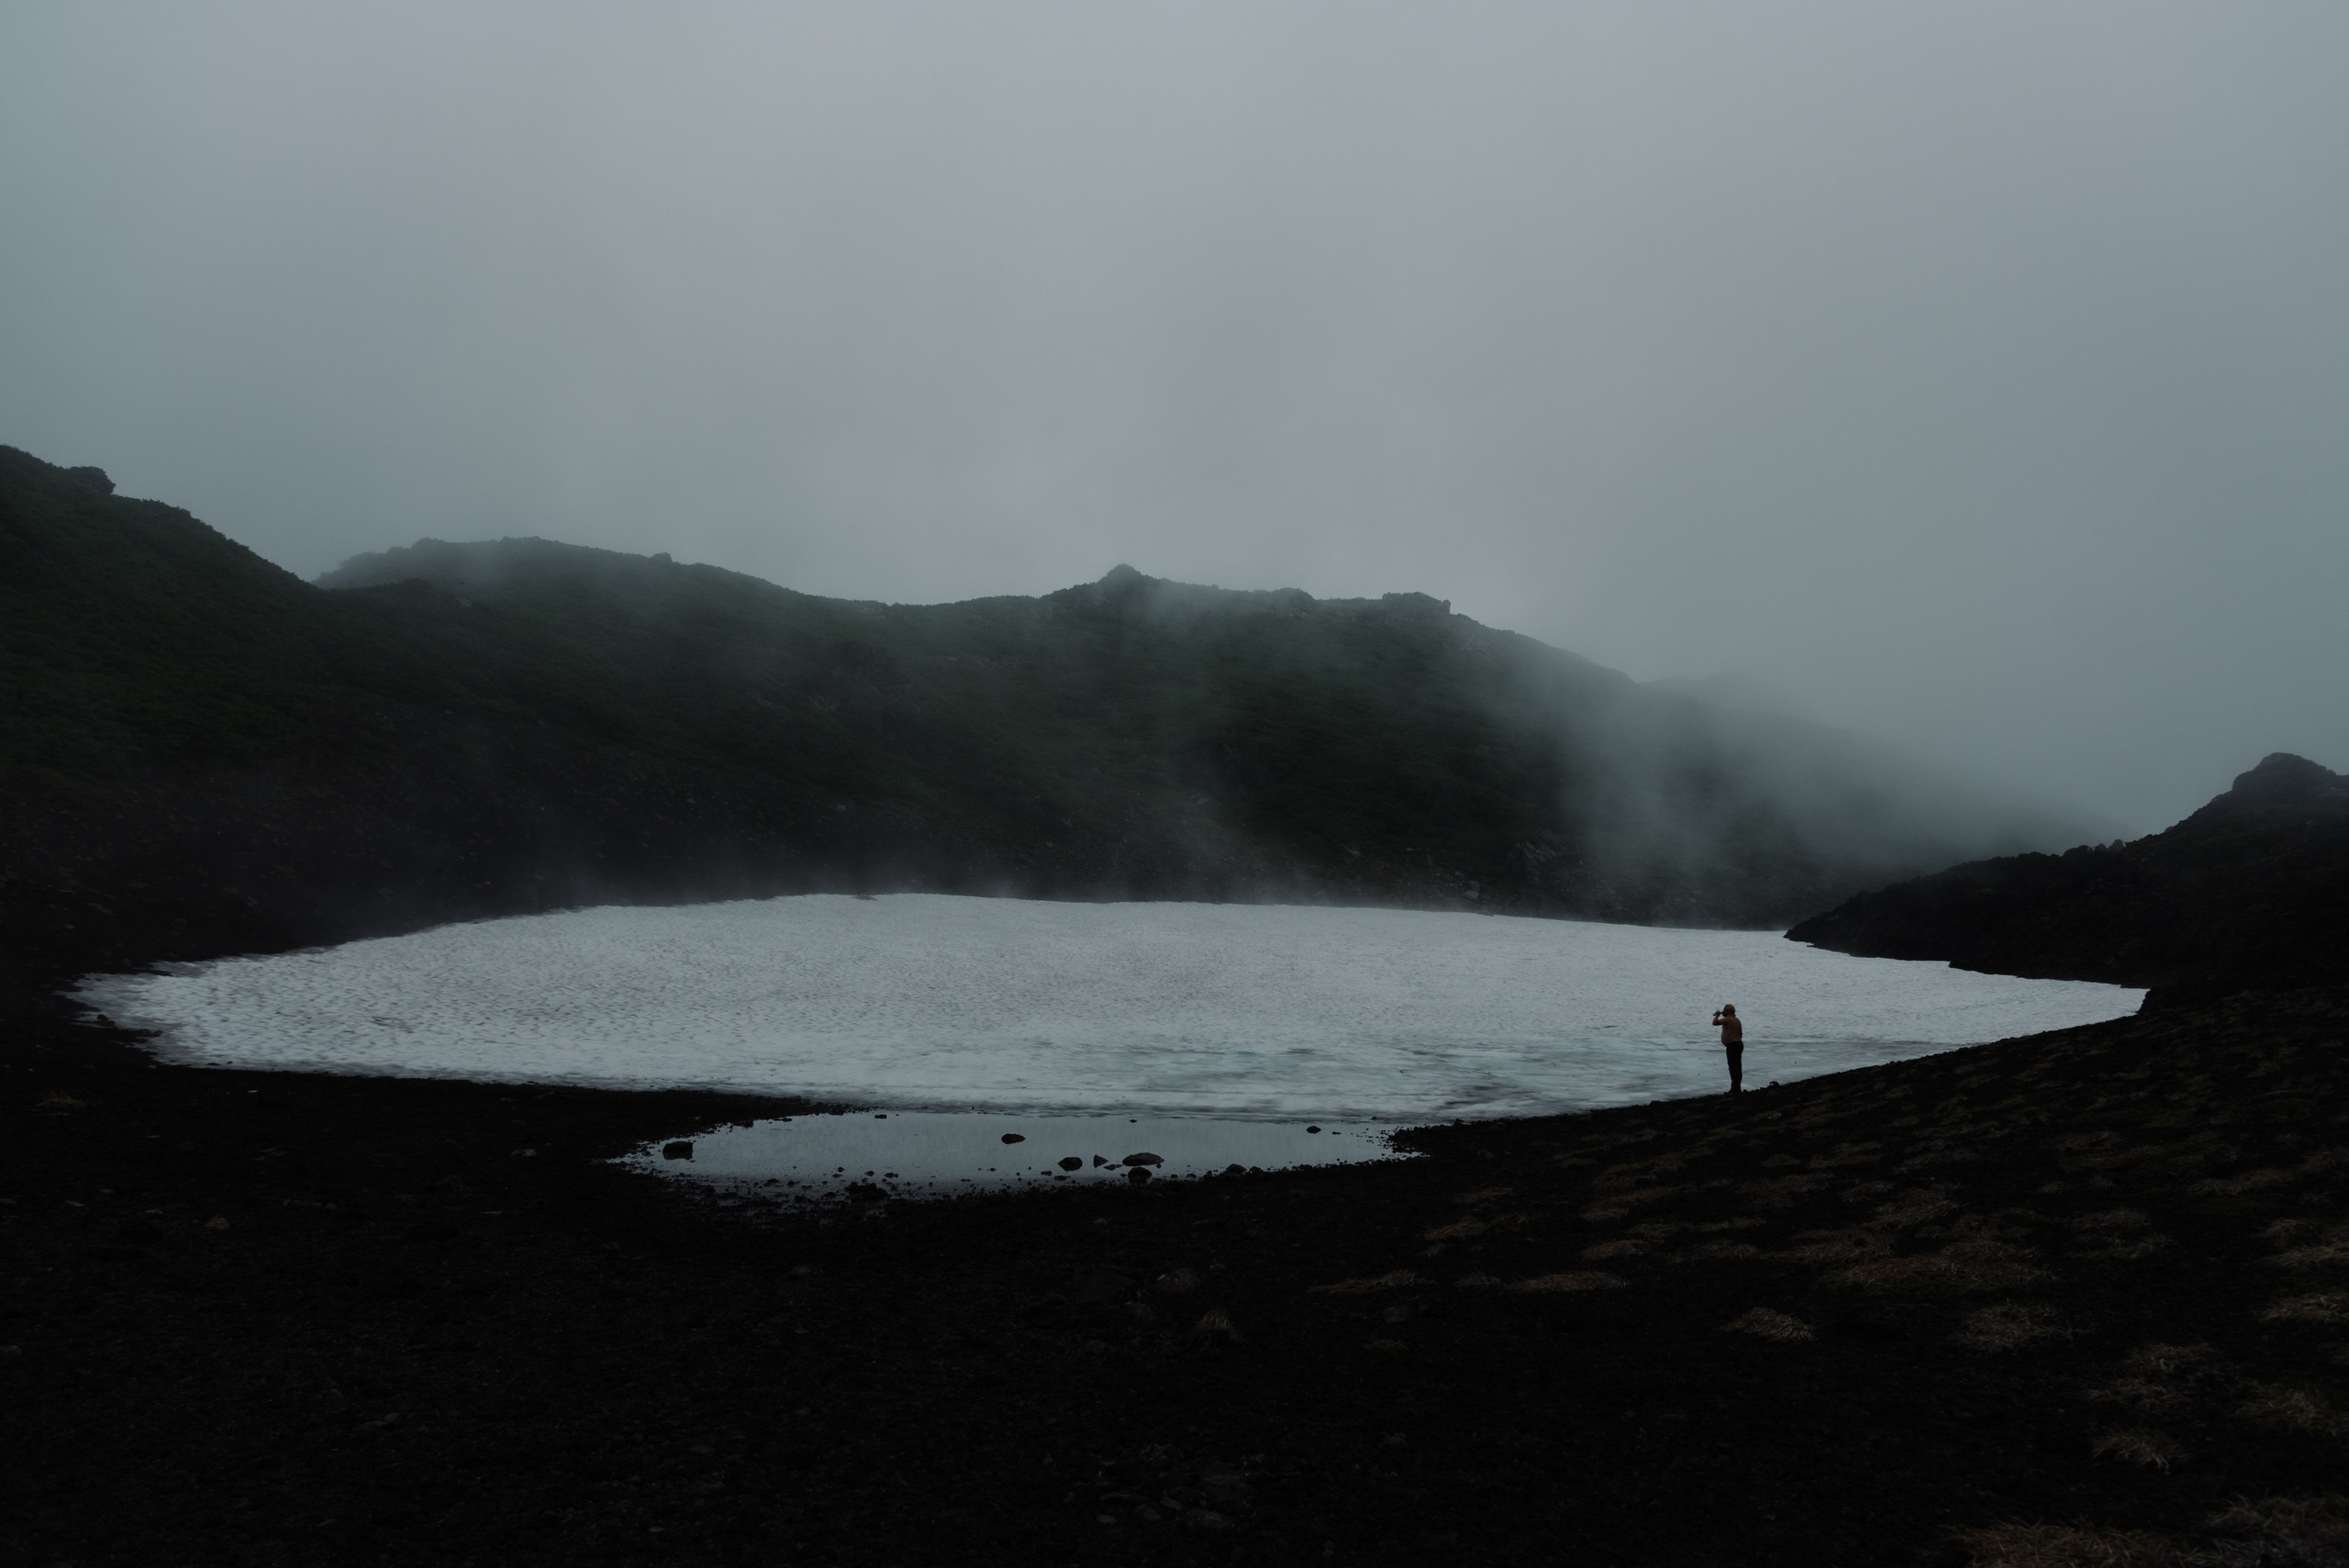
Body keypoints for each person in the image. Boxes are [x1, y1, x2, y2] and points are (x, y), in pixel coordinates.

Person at [1711, 1004, 1744, 1094]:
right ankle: (1737, 1087)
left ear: (1728, 1011)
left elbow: (1715, 1023)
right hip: (1738, 1044)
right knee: (1737, 1066)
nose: (1723, 1011)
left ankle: (1734, 1089)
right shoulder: (1736, 1020)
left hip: (1732, 1045)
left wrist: (1717, 1015)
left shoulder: (1728, 1019)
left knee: (1733, 1067)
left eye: (1724, 1010)